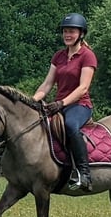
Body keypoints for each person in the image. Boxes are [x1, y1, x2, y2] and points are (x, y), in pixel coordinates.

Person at [32, 13, 98, 191]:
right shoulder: (58, 56)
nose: (67, 35)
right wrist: (31, 101)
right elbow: (47, 84)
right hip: (59, 105)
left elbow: (83, 87)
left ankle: (84, 174)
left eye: (72, 32)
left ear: (81, 34)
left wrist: (61, 103)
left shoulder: (87, 56)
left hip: (80, 105)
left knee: (70, 126)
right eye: (65, 31)